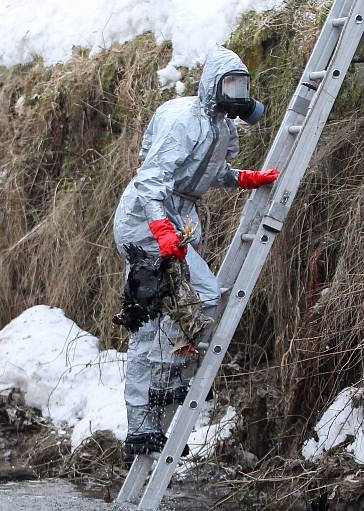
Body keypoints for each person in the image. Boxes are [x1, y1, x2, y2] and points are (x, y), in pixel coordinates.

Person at [113, 45, 280, 455]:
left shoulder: (224, 128)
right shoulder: (181, 119)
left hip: (177, 220)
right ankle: (156, 395)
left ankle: (150, 413)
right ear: (213, 84)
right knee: (178, 306)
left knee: (157, 321)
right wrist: (159, 227)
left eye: (243, 86)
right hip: (144, 219)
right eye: (231, 85)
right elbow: (151, 179)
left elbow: (206, 171)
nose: (237, 94)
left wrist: (242, 178)